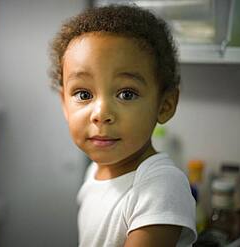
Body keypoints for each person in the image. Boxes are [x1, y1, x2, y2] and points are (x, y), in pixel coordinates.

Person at [49, 4, 196, 247]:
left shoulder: (161, 187)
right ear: (64, 104)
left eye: (126, 94)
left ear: (165, 105)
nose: (101, 114)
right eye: (84, 94)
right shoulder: (94, 172)